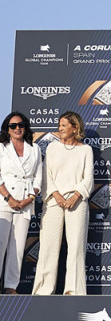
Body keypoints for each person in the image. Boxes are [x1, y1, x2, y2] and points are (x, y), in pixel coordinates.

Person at [31, 112, 94, 295]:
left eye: (64, 125)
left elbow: (88, 178)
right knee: (48, 247)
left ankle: (73, 291)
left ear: (75, 127)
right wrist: (56, 195)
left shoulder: (85, 150)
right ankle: (43, 290)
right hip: (53, 201)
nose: (60, 129)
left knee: (76, 248)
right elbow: (46, 176)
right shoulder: (52, 148)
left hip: (78, 201)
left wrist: (76, 195)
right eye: (59, 125)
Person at [0, 112, 42, 294]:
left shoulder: (35, 149)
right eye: (13, 126)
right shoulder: (1, 148)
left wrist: (28, 199)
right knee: (0, 244)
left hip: (25, 202)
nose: (17, 128)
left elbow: (38, 178)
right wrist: (9, 199)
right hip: (4, 201)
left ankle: (11, 286)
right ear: (7, 130)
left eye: (21, 125)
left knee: (17, 250)